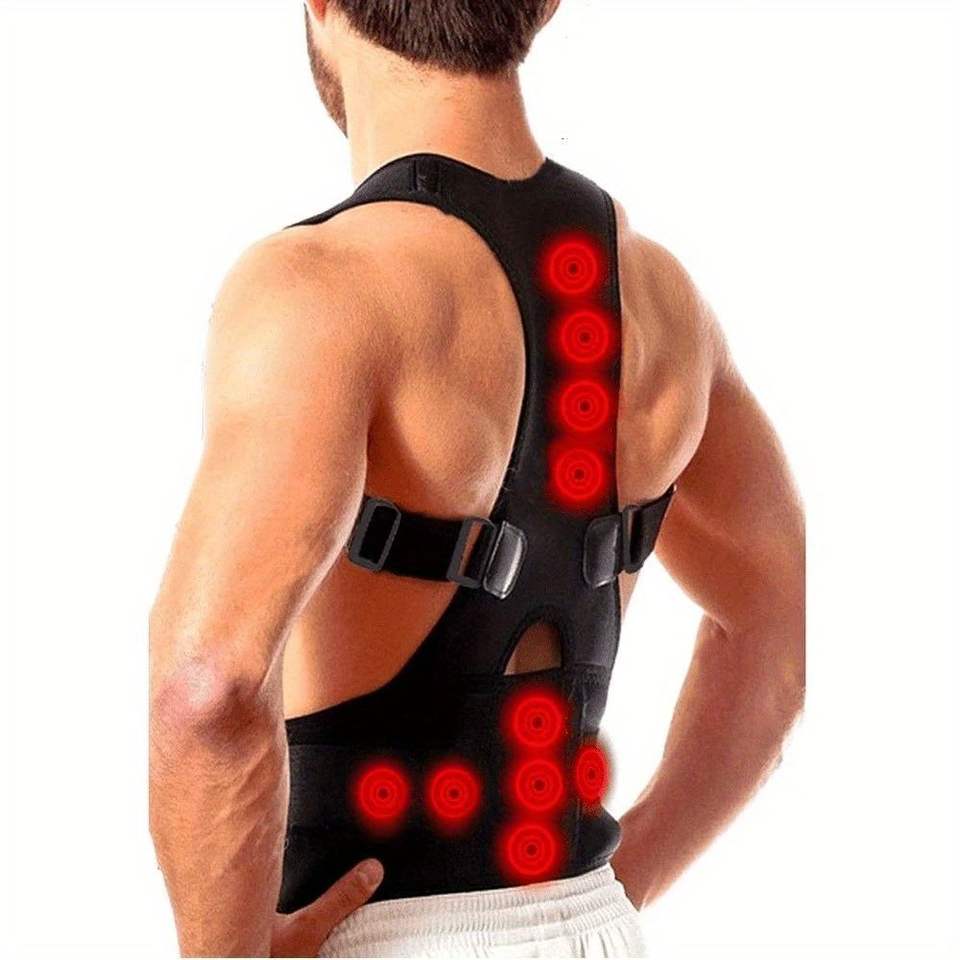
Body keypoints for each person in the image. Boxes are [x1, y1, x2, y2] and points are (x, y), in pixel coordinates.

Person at [148, 1, 805, 956]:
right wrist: (615, 889)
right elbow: (772, 647)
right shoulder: (661, 296)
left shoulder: (320, 290)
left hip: (378, 931)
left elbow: (207, 690)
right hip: (593, 927)